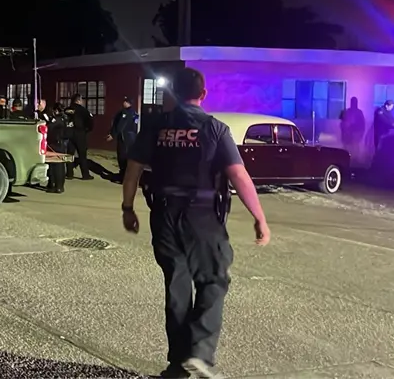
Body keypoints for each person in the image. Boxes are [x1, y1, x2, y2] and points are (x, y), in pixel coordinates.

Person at [120, 67, 271, 379]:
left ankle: (178, 366)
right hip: (202, 217)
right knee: (213, 279)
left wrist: (128, 208)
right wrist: (259, 217)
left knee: (177, 288)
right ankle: (199, 353)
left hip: (163, 215)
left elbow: (133, 170)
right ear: (203, 94)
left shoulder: (155, 127)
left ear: (173, 93)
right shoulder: (215, 129)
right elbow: (238, 175)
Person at [65, 93, 95, 180]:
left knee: (69, 154)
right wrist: (86, 130)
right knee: (82, 155)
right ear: (78, 100)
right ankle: (85, 175)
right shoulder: (83, 111)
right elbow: (90, 122)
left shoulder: (67, 110)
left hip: (69, 134)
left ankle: (69, 173)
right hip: (80, 134)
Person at [107, 96, 138, 181]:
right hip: (131, 138)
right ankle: (127, 175)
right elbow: (135, 127)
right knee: (129, 157)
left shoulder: (124, 113)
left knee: (122, 156)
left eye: (125, 101)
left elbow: (120, 126)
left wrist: (113, 135)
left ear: (128, 103)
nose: (123, 103)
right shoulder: (135, 113)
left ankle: (123, 175)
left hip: (124, 137)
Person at [45, 103, 68, 194]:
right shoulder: (65, 118)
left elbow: (49, 129)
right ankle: (60, 186)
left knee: (54, 165)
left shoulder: (56, 120)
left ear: (56, 110)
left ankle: (54, 185)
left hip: (54, 144)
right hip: (62, 143)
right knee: (60, 165)